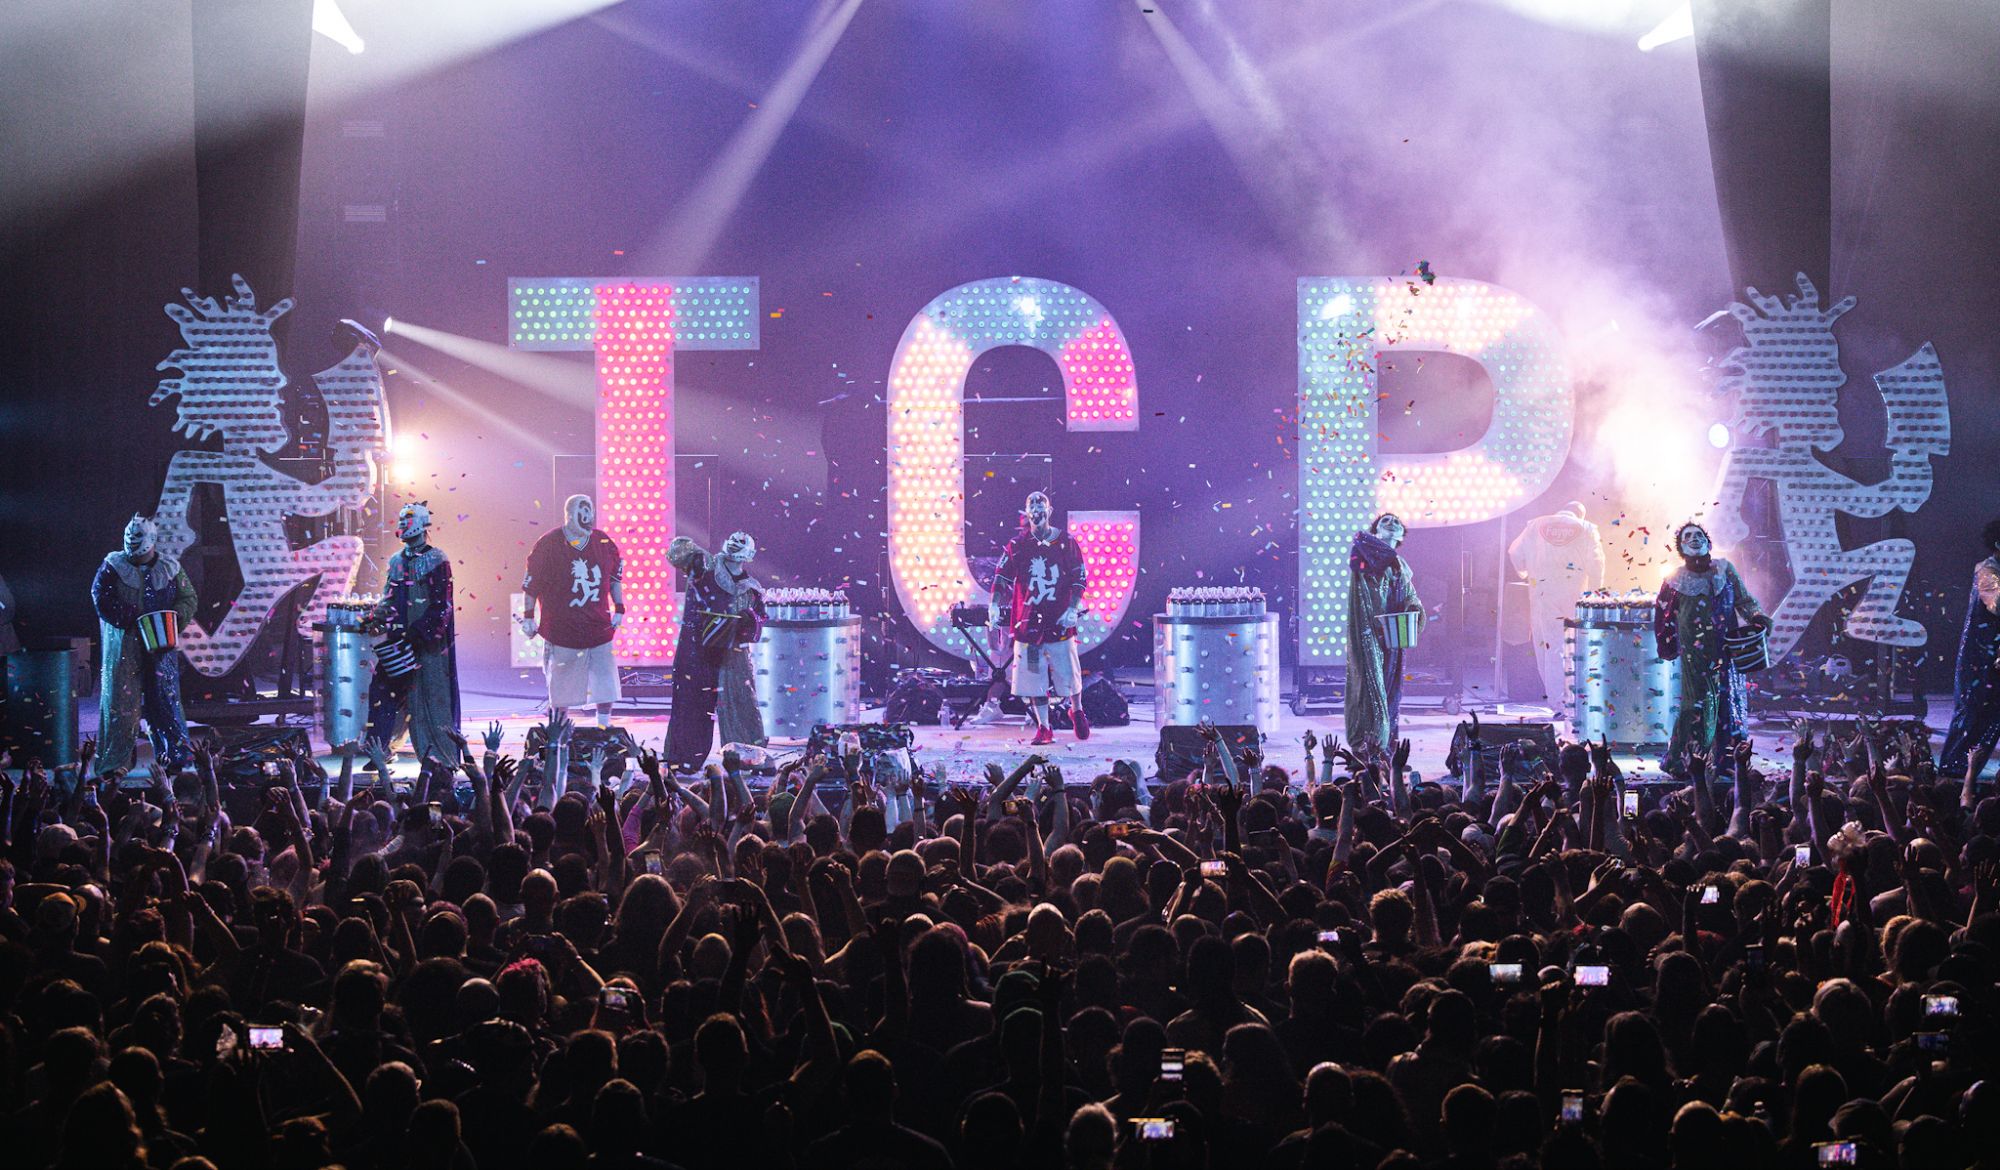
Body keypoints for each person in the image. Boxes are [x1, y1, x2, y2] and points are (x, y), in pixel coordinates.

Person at [1653, 520, 1769, 774]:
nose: (1694, 539)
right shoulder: (1673, 579)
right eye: (1687, 536)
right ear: (1681, 547)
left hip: (1726, 650)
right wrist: (1667, 643)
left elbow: (1744, 600)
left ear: (1707, 540)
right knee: (1694, 705)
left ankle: (1727, 761)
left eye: (1698, 535)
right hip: (1694, 655)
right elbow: (1662, 615)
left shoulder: (1725, 570)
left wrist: (1757, 618)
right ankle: (1687, 761)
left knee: (1727, 702)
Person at [90, 514, 197, 773]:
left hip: (160, 645)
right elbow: (100, 596)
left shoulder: (170, 569)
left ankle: (174, 756)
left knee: (165, 699)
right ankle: (116, 762)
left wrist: (176, 616)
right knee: (121, 703)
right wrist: (128, 615)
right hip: (124, 646)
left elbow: (188, 597)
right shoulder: (113, 566)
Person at [365, 501, 461, 765]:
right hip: (398, 642)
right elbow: (390, 598)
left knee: (429, 696)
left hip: (426, 644)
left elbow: (442, 604)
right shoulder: (397, 561)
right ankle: (380, 750)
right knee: (384, 692)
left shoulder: (436, 559)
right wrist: (374, 617)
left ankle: (439, 756)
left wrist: (419, 634)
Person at [992, 491, 1089, 745]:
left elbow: (1080, 577)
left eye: (1041, 502)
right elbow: (1001, 577)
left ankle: (1076, 709)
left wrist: (1073, 608)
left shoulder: (1066, 542)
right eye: (1031, 503)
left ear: (1050, 510)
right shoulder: (1017, 545)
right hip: (1029, 627)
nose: (1036, 506)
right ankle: (1044, 727)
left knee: (1069, 674)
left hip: (1058, 623)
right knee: (1034, 680)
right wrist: (994, 605)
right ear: (1026, 512)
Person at [520, 495, 625, 728]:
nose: (587, 519)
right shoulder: (548, 544)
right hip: (562, 629)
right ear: (570, 515)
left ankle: (603, 727)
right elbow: (531, 585)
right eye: (582, 513)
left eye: (590, 513)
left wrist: (619, 608)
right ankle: (558, 730)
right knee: (561, 687)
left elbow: (615, 579)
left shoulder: (604, 542)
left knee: (605, 683)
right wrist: (528, 617)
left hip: (598, 627)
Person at [664, 532, 765, 771]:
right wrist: (690, 550)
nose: (736, 543)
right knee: (692, 702)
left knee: (740, 703)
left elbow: (759, 621)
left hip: (733, 654)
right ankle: (685, 757)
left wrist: (749, 621)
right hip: (697, 649)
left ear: (749, 554)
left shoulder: (752, 590)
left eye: (742, 542)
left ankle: (744, 757)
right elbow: (677, 554)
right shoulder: (705, 566)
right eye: (733, 540)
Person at [1507, 501, 1604, 709]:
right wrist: (1594, 594)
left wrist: (1525, 571)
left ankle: (1557, 701)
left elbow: (1514, 552)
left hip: (1542, 594)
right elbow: (1597, 563)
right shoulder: (1587, 528)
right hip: (1574, 595)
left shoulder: (1535, 525)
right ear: (1579, 514)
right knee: (1573, 647)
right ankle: (1571, 698)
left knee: (1548, 646)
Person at [1346, 513, 1423, 753]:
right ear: (1376, 531)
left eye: (1396, 521)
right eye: (1384, 521)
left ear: (1401, 535)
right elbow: (1368, 597)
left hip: (1393, 632)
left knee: (1391, 689)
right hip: (1371, 633)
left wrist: (1413, 608)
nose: (1391, 523)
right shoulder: (1364, 555)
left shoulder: (1398, 564)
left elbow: (1409, 593)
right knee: (1372, 688)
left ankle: (1387, 748)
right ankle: (1368, 748)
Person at [1941, 518, 2000, 784]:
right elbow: (1996, 605)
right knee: (1972, 714)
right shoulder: (1986, 570)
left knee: (1993, 718)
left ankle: (1970, 774)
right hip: (1980, 660)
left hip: (1994, 658)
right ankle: (1952, 775)